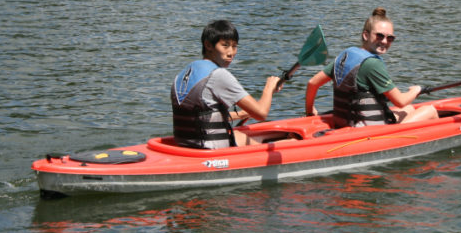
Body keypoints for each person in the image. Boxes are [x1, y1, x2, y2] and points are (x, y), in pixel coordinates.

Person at [305, 8, 439, 128]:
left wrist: (310, 112)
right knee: (430, 110)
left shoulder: (346, 55)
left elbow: (312, 83)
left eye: (390, 38)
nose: (385, 41)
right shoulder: (372, 64)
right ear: (366, 35)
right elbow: (401, 101)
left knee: (409, 109)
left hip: (343, 123)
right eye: (379, 36)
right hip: (367, 130)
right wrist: (416, 90)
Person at [171, 20, 280, 148]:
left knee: (246, 135)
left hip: (185, 145)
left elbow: (202, 117)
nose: (231, 53)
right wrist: (269, 88)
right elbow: (261, 114)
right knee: (291, 141)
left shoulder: (183, 74)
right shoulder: (218, 75)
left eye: (234, 46)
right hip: (210, 150)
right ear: (208, 45)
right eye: (225, 45)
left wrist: (244, 114)